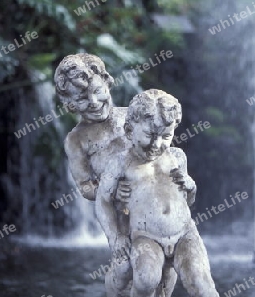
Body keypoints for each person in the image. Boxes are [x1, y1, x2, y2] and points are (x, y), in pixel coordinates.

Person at [54, 55, 176, 297]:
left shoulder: (132, 115)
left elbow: (164, 152)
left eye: (97, 91)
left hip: (157, 204)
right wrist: (106, 190)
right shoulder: (76, 140)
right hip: (121, 214)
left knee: (166, 267)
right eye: (80, 98)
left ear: (107, 82)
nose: (93, 101)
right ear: (69, 104)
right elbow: (84, 185)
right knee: (125, 269)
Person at [98, 89, 219, 297]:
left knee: (201, 283)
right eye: (149, 135)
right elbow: (102, 200)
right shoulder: (121, 163)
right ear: (129, 130)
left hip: (184, 234)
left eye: (165, 136)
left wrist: (191, 187)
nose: (156, 144)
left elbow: (187, 201)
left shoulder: (177, 157)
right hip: (146, 236)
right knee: (146, 280)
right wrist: (115, 237)